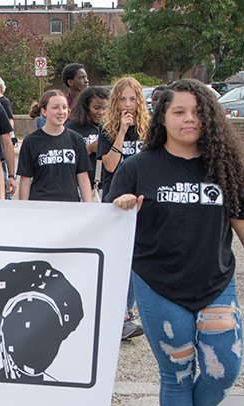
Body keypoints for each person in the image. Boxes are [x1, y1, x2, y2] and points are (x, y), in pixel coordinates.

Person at [110, 79, 244, 406]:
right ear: (163, 118)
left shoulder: (223, 166)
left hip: (215, 283)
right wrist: (121, 208)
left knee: (224, 369)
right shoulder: (140, 167)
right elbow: (109, 223)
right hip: (158, 284)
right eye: (179, 112)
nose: (190, 119)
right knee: (176, 372)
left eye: (197, 111)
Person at [97, 77, 149, 340]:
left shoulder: (149, 130)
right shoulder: (107, 130)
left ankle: (127, 312)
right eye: (123, 99)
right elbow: (109, 165)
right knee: (119, 257)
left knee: (138, 258)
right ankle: (118, 313)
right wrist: (121, 131)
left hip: (143, 199)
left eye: (132, 98)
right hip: (117, 198)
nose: (128, 104)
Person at [17, 90, 92, 203]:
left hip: (70, 206)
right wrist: (24, 209)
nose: (61, 112)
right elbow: (25, 180)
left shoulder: (76, 139)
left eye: (64, 107)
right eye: (55, 107)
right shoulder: (31, 141)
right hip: (41, 205)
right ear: (44, 111)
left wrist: (88, 207)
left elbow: (83, 177)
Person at [66, 86, 109, 193]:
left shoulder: (111, 127)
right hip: (80, 185)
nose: (101, 112)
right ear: (85, 107)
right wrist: (89, 149)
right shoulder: (71, 128)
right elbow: (66, 157)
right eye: (96, 108)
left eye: (105, 108)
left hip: (106, 184)